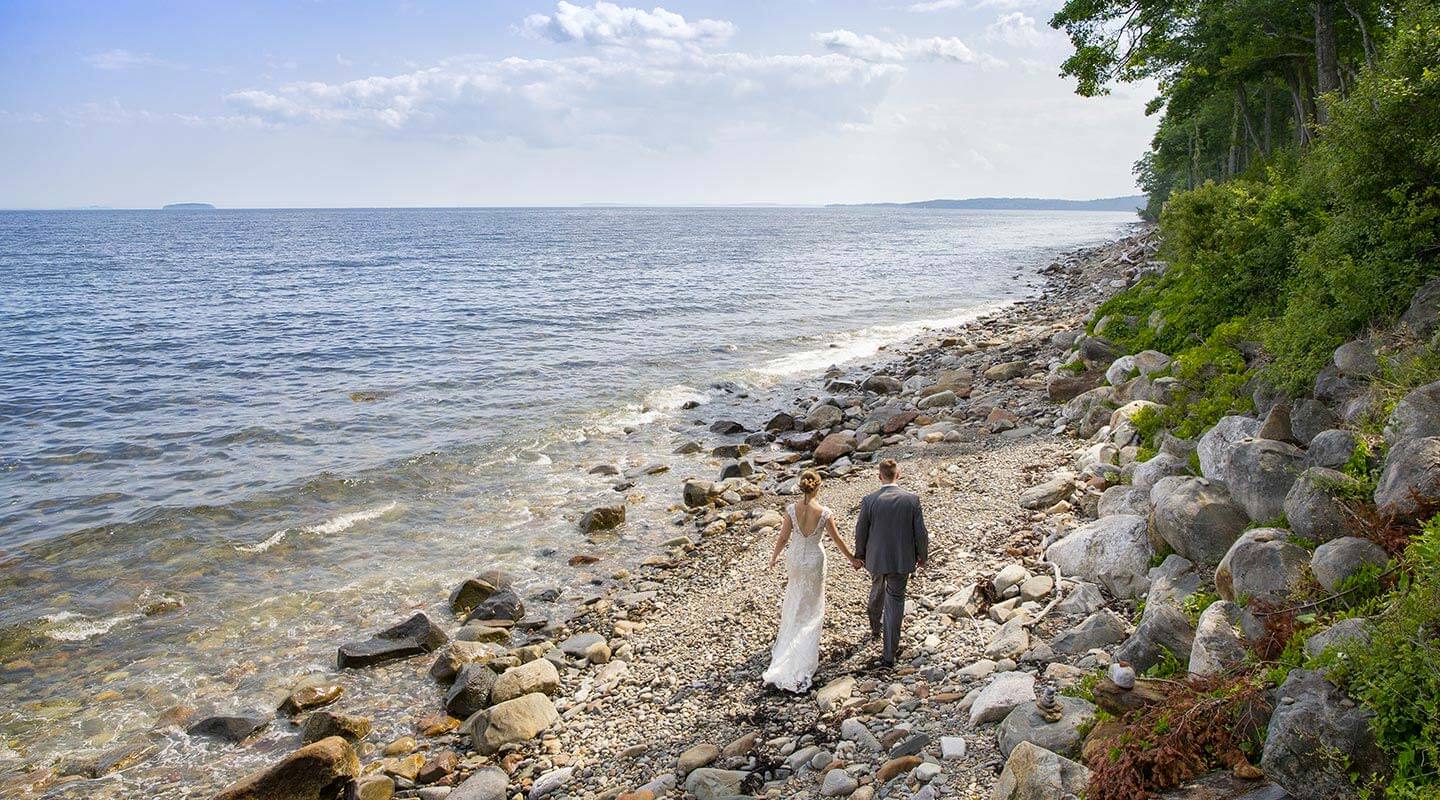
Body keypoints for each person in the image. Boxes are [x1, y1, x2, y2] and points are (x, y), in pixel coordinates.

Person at [762, 469, 862, 692]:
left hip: (796, 558)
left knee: (795, 596)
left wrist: (774, 557)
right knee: (813, 603)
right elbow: (837, 540)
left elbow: (783, 537)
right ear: (818, 487)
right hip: (815, 559)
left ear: (801, 486)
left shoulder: (791, 509)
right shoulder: (824, 512)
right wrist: (852, 559)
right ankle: (804, 647)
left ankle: (789, 637)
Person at [854, 458, 928, 668]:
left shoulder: (869, 500)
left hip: (876, 557)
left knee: (876, 589)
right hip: (901, 558)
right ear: (898, 475)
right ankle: (889, 654)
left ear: (879, 477)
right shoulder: (911, 499)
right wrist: (922, 555)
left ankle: (875, 628)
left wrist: (860, 555)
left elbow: (861, 531)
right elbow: (920, 532)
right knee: (895, 601)